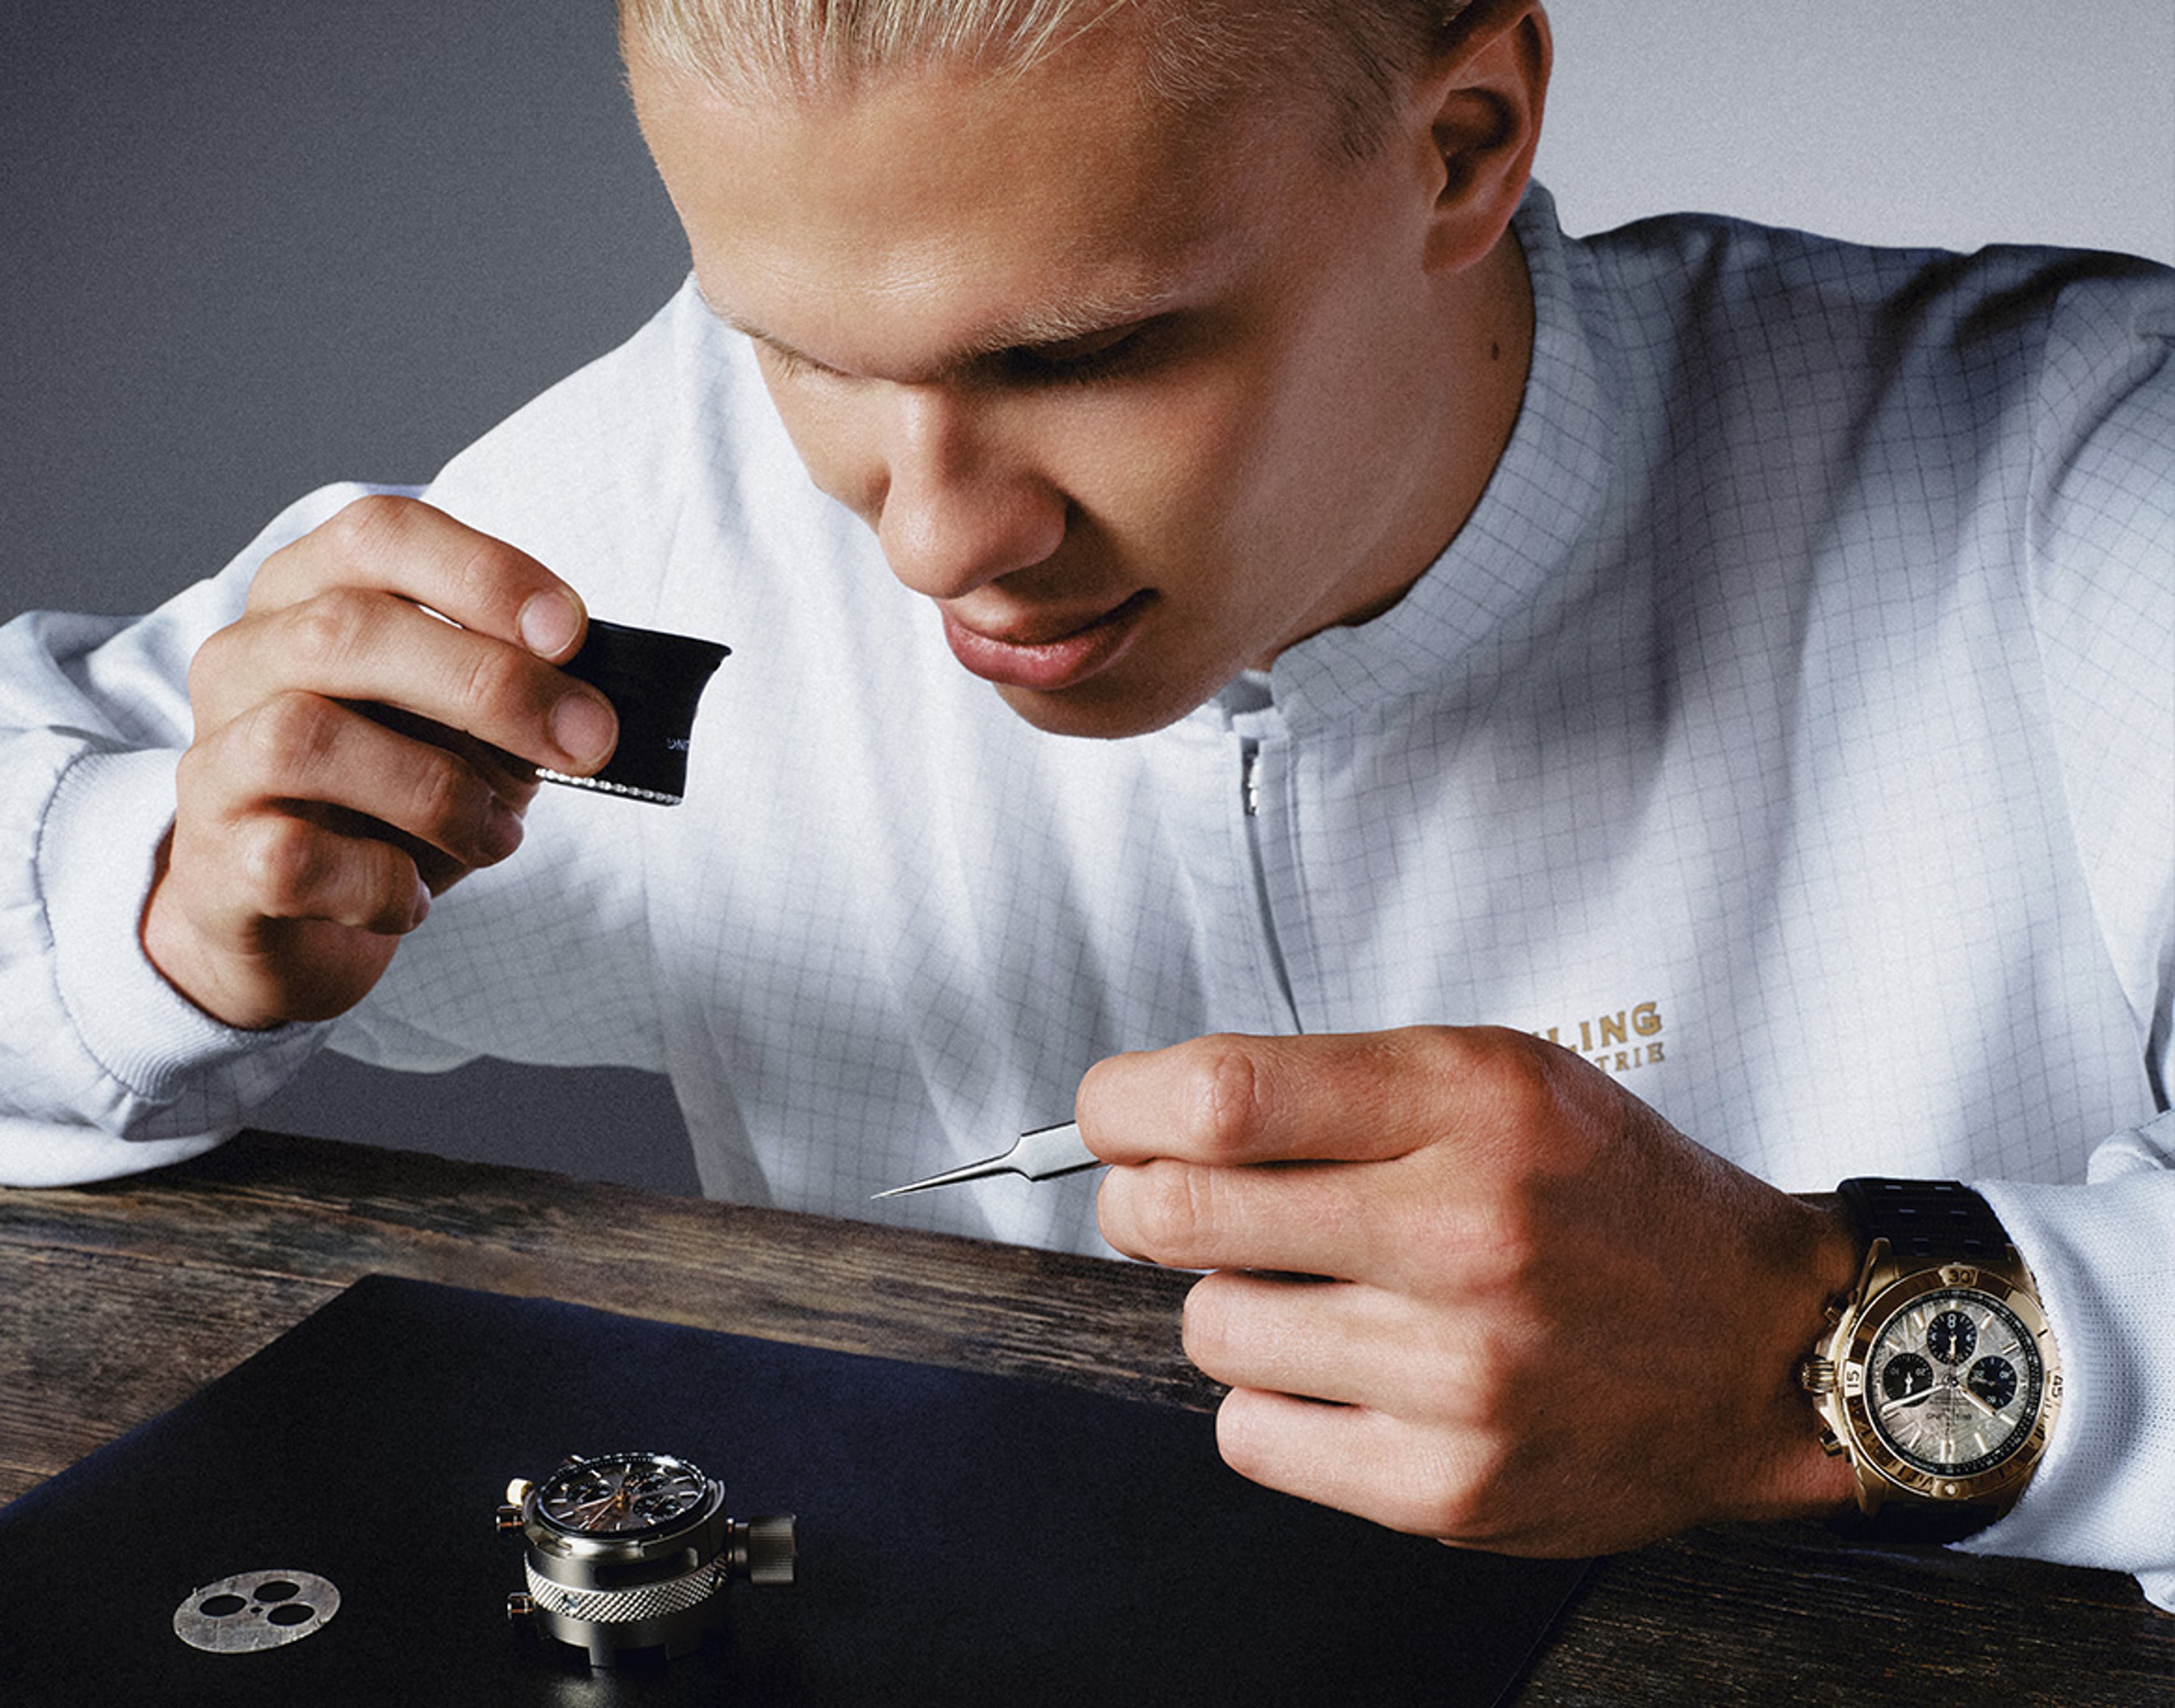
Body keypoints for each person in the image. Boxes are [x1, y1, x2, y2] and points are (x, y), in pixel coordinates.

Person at [1, 0, 2168, 1604]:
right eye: (808, 353)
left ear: (1464, 139)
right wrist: (173, 910)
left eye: (1082, 354)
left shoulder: (2081, 488)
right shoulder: (659, 512)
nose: (931, 537)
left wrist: (1818, 1341)